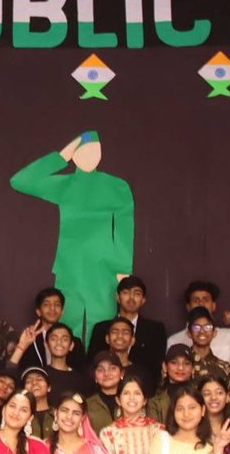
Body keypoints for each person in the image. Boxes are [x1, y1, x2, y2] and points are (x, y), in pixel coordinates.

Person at [10, 133, 136, 339]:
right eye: (83, 151)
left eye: (95, 150)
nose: (90, 156)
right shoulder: (66, 184)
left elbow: (124, 226)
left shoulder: (117, 186)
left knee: (103, 327)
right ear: (74, 156)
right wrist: (61, 157)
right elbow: (20, 181)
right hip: (69, 264)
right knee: (66, 326)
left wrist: (123, 267)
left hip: (105, 266)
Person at [87, 276, 168, 387]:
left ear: (143, 300)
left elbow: (156, 368)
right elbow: (92, 364)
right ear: (117, 297)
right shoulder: (101, 328)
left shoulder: (156, 330)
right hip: (103, 389)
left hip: (142, 390)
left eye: (137, 294)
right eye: (126, 293)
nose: (131, 298)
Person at [166, 280, 230, 364]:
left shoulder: (229, 336)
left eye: (205, 300)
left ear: (214, 306)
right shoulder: (174, 341)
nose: (201, 304)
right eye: (196, 300)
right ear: (188, 307)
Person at [183, 308, 230, 391]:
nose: (202, 331)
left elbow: (229, 397)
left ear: (214, 333)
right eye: (196, 327)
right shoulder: (180, 365)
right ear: (189, 333)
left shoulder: (225, 368)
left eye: (207, 327)